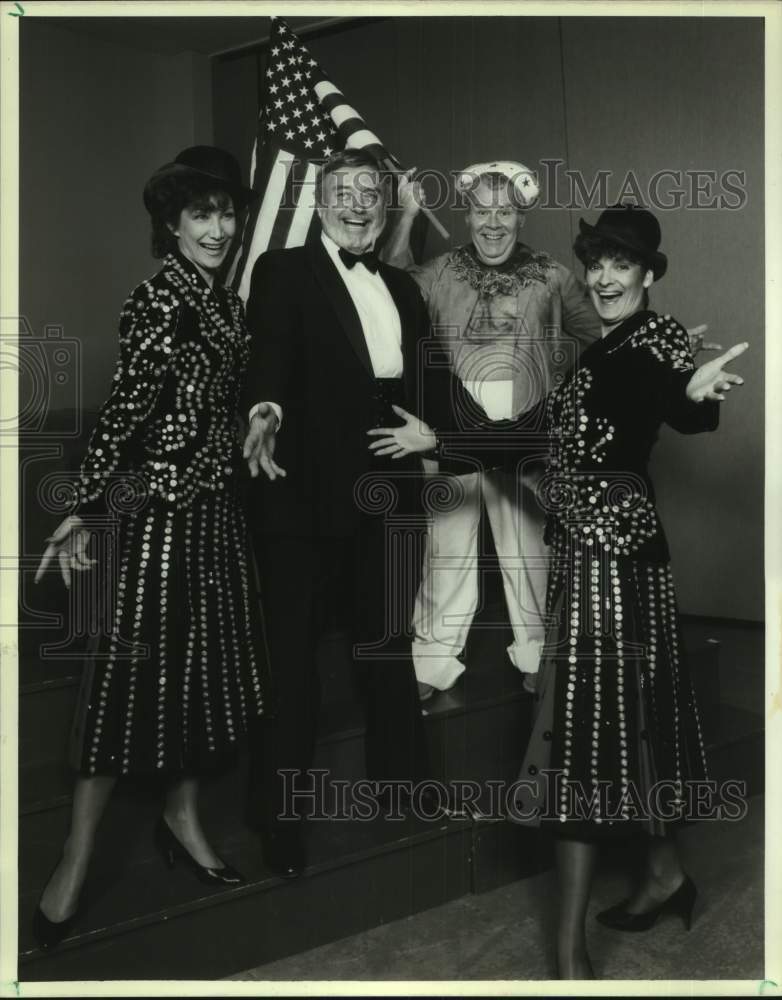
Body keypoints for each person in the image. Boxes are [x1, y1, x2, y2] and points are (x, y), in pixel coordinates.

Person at [370, 204, 748, 979]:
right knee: (626, 723)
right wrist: (439, 439)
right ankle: (666, 876)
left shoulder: (658, 338)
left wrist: (701, 392)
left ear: (649, 274)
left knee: (582, 736)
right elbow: (533, 441)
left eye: (622, 264)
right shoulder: (591, 352)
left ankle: (569, 953)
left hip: (620, 564)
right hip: (587, 557)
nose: (605, 278)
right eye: (597, 263)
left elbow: (680, 404)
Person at [32, 146, 267, 949]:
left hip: (217, 517)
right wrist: (83, 507)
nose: (217, 227)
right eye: (200, 214)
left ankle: (181, 816)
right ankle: (76, 853)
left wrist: (255, 421)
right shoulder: (158, 299)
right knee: (123, 688)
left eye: (226, 213)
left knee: (205, 678)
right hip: (158, 516)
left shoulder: (231, 308)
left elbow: (214, 405)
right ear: (171, 224)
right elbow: (125, 408)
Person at [241, 149, 449, 879]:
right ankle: (280, 820)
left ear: (386, 206)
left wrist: (454, 437)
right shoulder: (283, 271)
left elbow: (434, 384)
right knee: (293, 661)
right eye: (343, 191)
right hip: (302, 497)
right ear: (320, 200)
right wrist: (263, 408)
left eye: (371, 192)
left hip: (391, 495)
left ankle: (404, 784)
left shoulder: (403, 285)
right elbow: (267, 358)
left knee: (389, 643)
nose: (358, 203)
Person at [383, 160, 603, 701]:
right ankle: (430, 663)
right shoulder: (438, 271)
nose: (493, 223)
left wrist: (654, 343)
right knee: (447, 550)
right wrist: (408, 214)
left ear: (522, 216)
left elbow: (602, 333)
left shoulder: (553, 274)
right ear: (467, 214)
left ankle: (538, 656)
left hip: (525, 431)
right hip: (451, 427)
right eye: (483, 211)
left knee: (531, 551)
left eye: (505, 211)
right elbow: (388, 287)